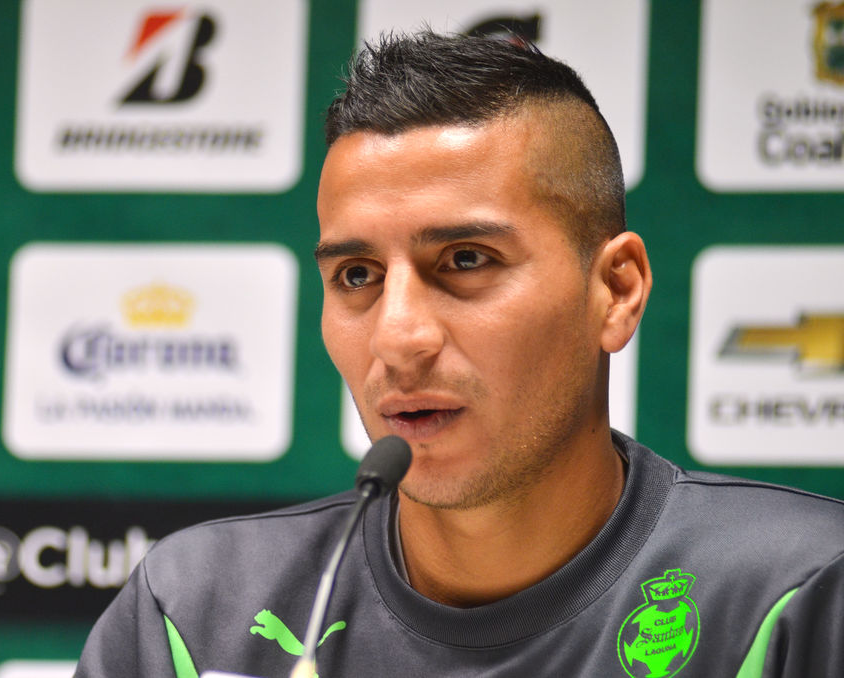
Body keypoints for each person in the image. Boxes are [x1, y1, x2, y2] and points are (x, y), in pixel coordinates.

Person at [74, 31, 844, 678]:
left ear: (615, 290)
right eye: (357, 276)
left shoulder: (802, 595)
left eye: (466, 260)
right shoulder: (196, 617)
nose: (397, 336)